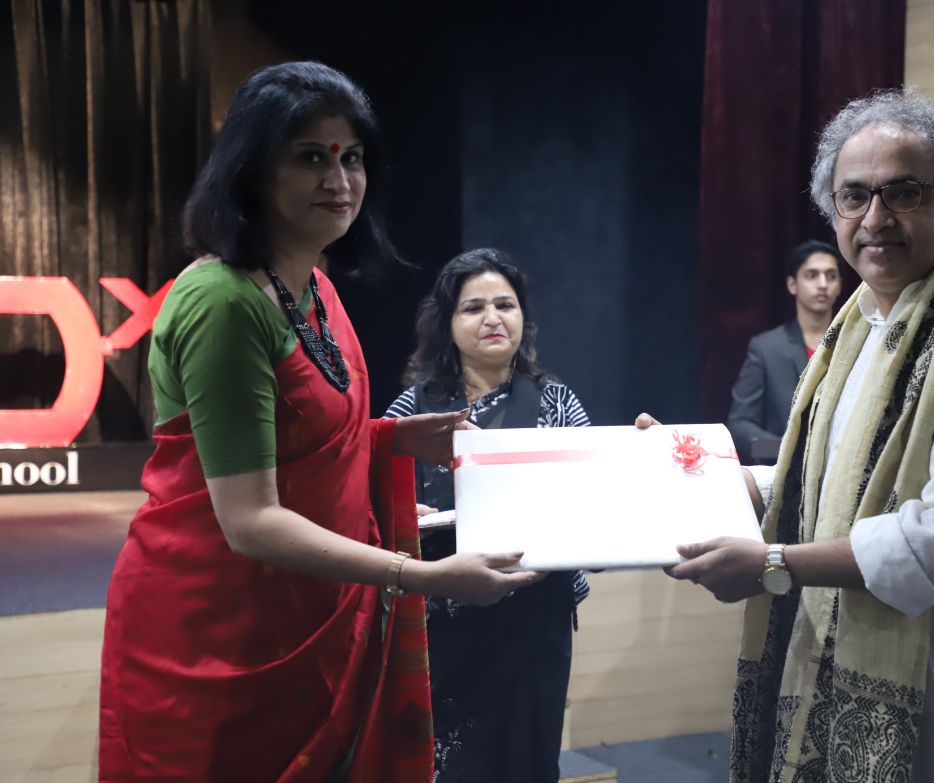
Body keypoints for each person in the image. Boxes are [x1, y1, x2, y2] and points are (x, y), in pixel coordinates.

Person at [98, 62, 540, 782]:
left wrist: (390, 437)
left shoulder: (315, 289)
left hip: (309, 615)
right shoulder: (223, 300)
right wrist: (421, 576)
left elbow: (298, 436)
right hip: (218, 637)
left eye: (352, 158)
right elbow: (249, 520)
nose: (339, 180)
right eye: (310, 157)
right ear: (252, 170)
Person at [654, 89, 934, 781]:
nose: (875, 219)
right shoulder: (862, 327)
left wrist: (775, 563)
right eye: (853, 196)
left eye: (904, 193)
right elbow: (832, 474)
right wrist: (715, 480)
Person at [385, 247, 590, 783]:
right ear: (447, 324)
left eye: (505, 304)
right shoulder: (413, 410)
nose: (493, 318)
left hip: (536, 617)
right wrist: (402, 516)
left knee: (529, 760)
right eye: (473, 308)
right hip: (441, 615)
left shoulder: (558, 403)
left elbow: (590, 498)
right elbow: (373, 500)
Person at [728, 240, 843, 462]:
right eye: (811, 275)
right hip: (783, 471)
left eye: (831, 276)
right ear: (792, 284)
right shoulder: (767, 348)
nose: (823, 284)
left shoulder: (856, 343)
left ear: (839, 285)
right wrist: (787, 450)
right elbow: (739, 425)